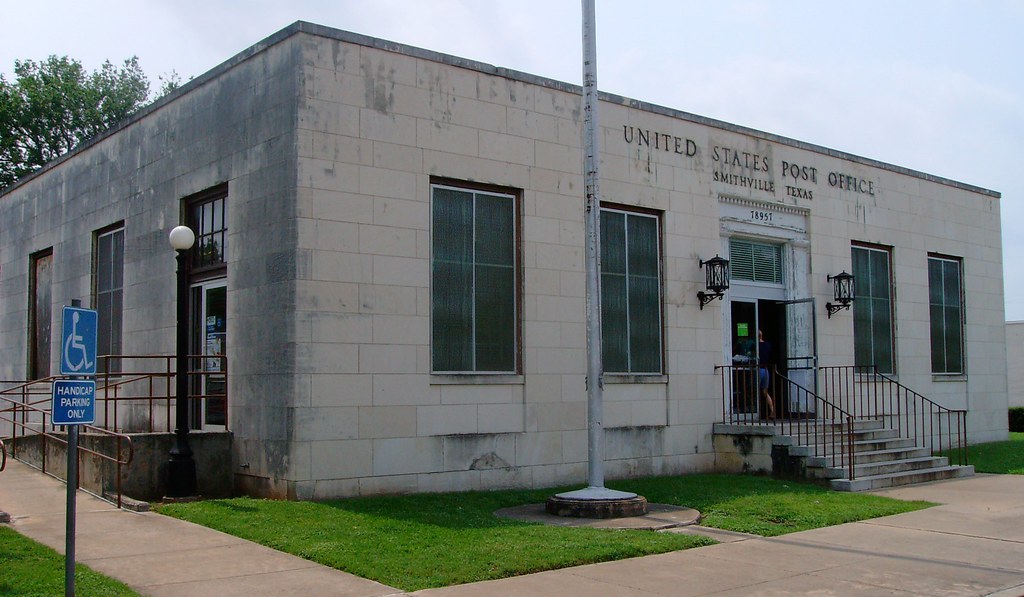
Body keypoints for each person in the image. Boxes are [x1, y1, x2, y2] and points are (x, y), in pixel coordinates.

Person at [758, 329, 776, 420]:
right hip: (766, 370)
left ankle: (752, 411)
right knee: (765, 392)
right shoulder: (767, 345)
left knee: (753, 390)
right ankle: (772, 410)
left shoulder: (756, 346)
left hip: (758, 369)